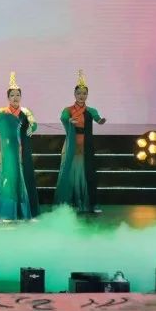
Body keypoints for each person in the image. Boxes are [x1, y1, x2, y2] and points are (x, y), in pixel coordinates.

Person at [54, 70, 107, 213]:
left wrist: (101, 121)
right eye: (79, 93)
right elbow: (63, 117)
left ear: (87, 95)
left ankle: (89, 203)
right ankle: (70, 203)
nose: (81, 96)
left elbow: (97, 118)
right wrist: (69, 120)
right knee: (70, 172)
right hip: (72, 144)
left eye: (84, 93)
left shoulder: (91, 110)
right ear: (74, 94)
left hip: (85, 144)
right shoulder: (68, 109)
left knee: (86, 172)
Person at [0, 72, 39, 220]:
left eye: (18, 95)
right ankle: (8, 209)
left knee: (23, 176)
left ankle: (23, 209)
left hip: (22, 148)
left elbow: (33, 123)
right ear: (8, 97)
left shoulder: (25, 112)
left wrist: (32, 128)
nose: (15, 97)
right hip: (9, 150)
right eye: (12, 95)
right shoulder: (2, 113)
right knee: (9, 177)